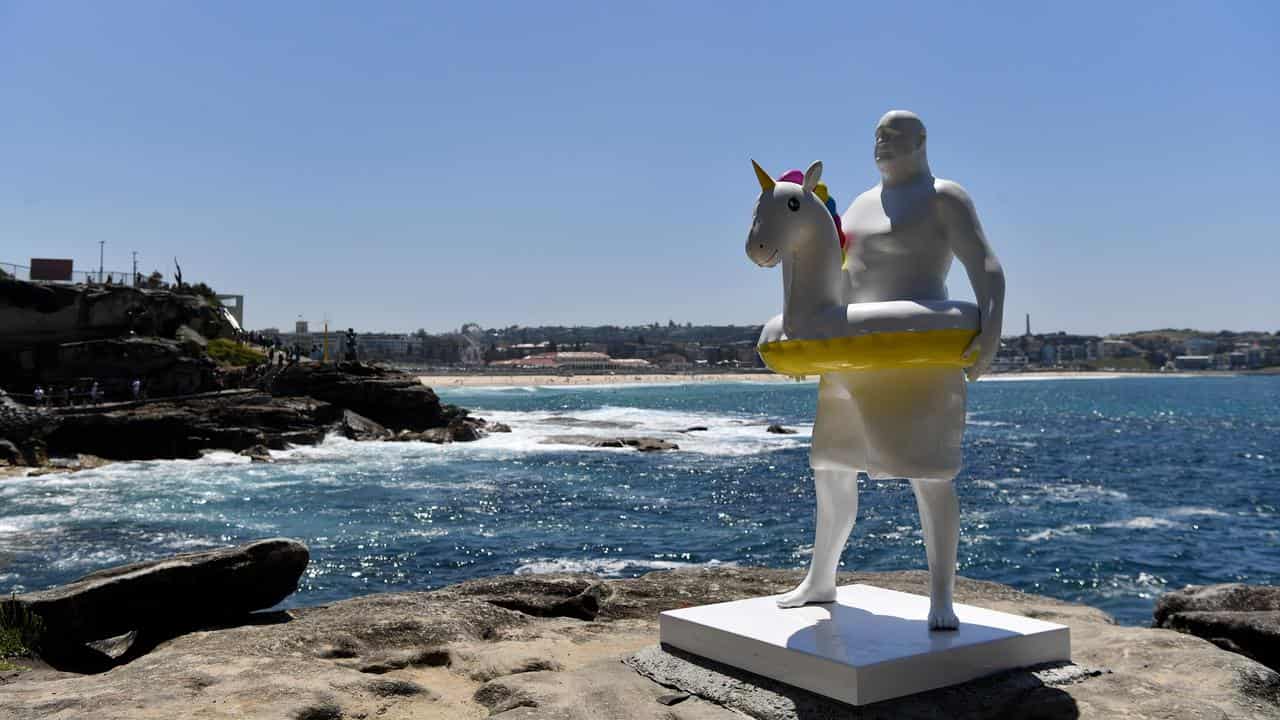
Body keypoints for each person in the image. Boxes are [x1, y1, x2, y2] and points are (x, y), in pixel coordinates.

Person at [776, 111, 1005, 630]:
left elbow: (985, 264)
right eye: (878, 136)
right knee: (830, 469)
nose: (882, 144)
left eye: (894, 136)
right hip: (853, 363)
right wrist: (803, 345)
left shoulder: (945, 197)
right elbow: (829, 278)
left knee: (932, 477)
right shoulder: (856, 205)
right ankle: (821, 578)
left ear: (921, 142)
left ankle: (941, 597)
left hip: (919, 361)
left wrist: (989, 332)